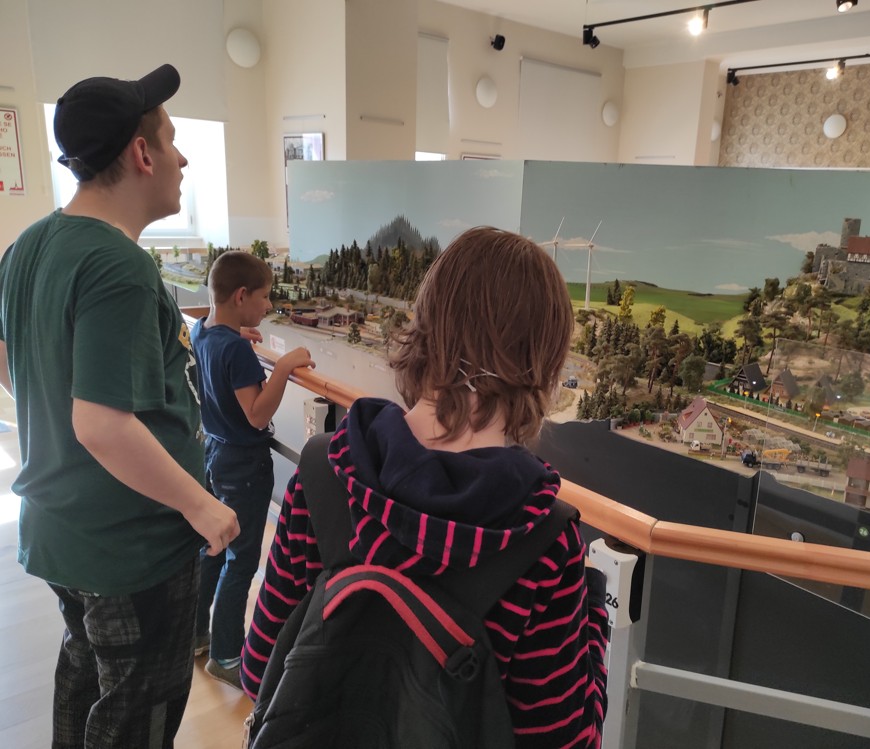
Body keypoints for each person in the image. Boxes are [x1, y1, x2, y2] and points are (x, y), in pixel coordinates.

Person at [243, 227, 610, 747]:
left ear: (423, 329)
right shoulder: (543, 538)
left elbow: (261, 669)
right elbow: (566, 740)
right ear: (544, 363)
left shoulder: (325, 472)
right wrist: (595, 623)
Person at [0, 64, 240, 748]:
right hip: (130, 546)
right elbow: (101, 424)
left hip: (63, 531)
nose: (182, 158)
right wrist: (201, 505)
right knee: (138, 714)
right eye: (172, 140)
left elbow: (10, 356)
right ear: (142, 154)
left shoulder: (30, 244)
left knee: (84, 680)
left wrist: (49, 402)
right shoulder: (119, 267)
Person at [191, 250, 314, 688]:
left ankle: (196, 635)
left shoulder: (203, 332)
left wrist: (239, 333)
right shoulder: (237, 352)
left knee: (213, 545)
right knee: (241, 560)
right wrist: (283, 366)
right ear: (241, 296)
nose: (268, 306)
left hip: (215, 453)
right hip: (244, 464)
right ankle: (227, 655)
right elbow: (257, 415)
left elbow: (221, 352)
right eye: (263, 297)